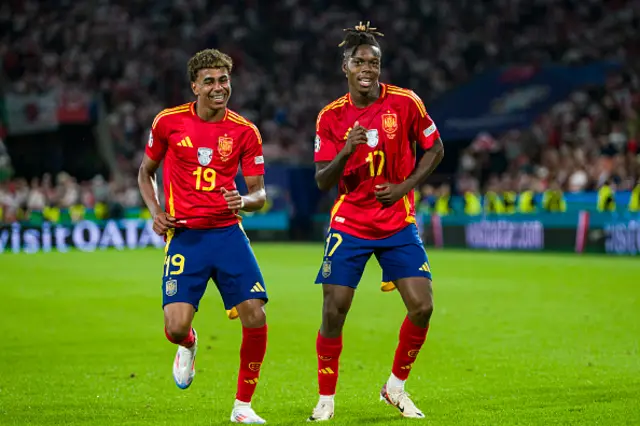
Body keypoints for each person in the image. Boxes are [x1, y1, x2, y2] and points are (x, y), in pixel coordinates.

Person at [308, 22, 445, 421]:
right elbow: (321, 180)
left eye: (374, 62)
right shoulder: (331, 117)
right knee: (335, 309)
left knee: (422, 306)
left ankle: (395, 386)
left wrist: (405, 187)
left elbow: (434, 149)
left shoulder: (405, 103)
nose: (367, 68)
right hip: (349, 223)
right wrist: (346, 151)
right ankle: (326, 397)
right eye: (359, 62)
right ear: (345, 68)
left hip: (396, 222)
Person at [138, 49, 269, 424]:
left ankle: (242, 407)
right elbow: (144, 172)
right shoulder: (168, 122)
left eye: (223, 80)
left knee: (255, 317)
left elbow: (260, 195)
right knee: (175, 327)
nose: (218, 88)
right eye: (209, 81)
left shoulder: (245, 131)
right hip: (185, 237)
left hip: (228, 235)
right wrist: (156, 211)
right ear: (194, 85)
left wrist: (242, 199)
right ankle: (190, 344)